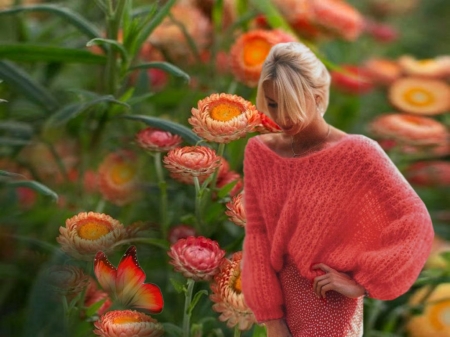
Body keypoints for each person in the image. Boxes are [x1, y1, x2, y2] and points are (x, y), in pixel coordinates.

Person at [241, 42, 434, 337]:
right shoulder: (260, 152)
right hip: (278, 299)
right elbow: (257, 236)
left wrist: (363, 282)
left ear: (317, 97)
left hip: (328, 300)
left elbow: (415, 221)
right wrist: (271, 319)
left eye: (291, 103)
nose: (282, 117)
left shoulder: (358, 153)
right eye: (273, 104)